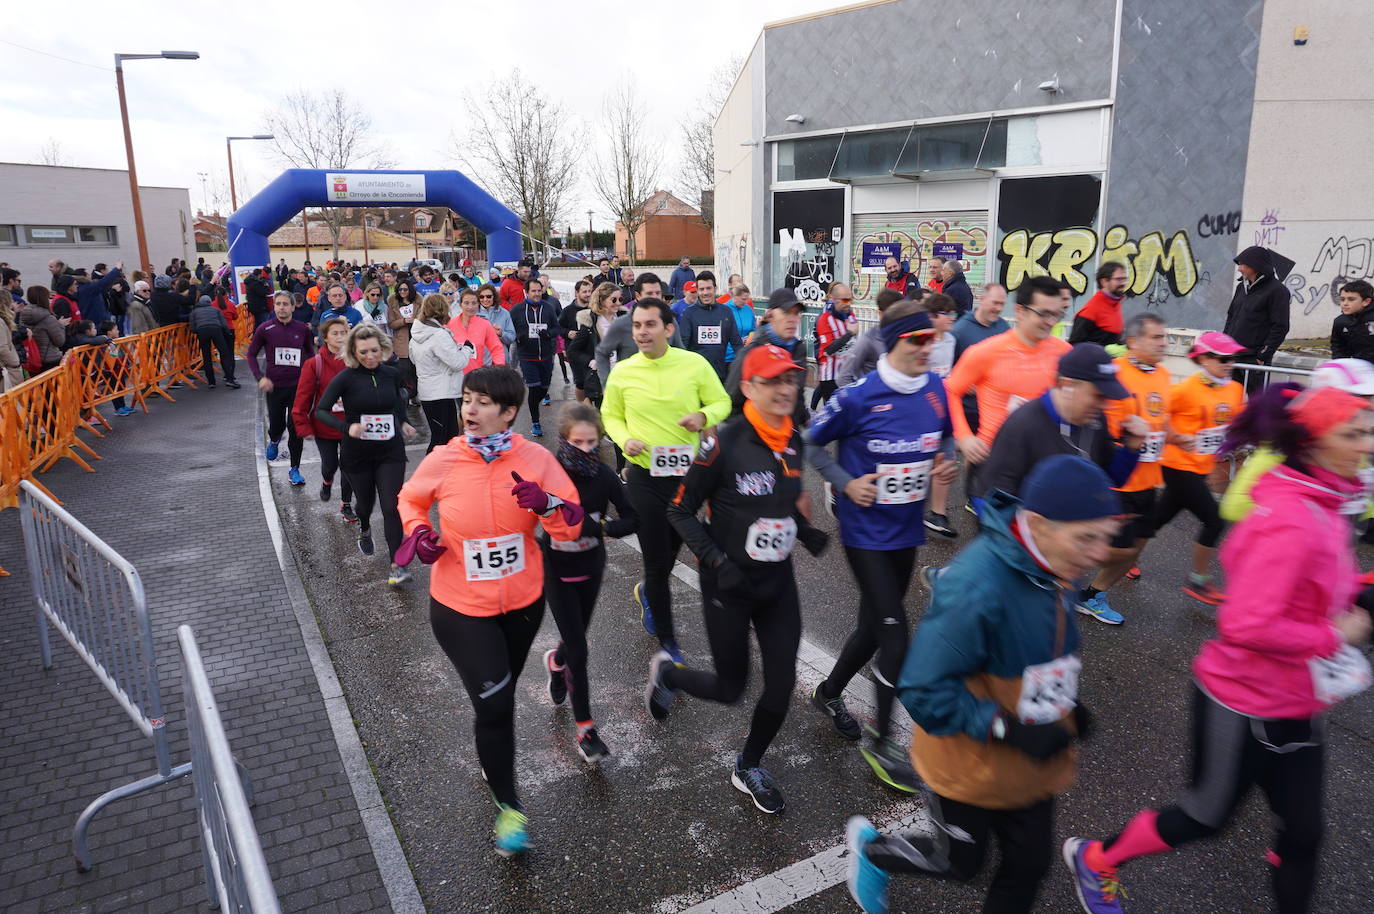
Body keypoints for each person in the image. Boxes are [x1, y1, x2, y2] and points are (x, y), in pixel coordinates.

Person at [1063, 387, 1374, 914]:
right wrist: (1335, 636)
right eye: (1354, 433)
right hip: (1242, 701)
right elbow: (1245, 622)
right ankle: (1096, 859)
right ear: (1315, 442)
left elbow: (1321, 588)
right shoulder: (1291, 518)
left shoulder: (1327, 502)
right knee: (1205, 816)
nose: (1367, 444)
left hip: (1301, 700)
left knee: (1304, 831)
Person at [846, 455, 1117, 914]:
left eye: (1105, 537)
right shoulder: (978, 584)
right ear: (1037, 523)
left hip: (1030, 763)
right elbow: (922, 689)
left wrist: (1069, 707)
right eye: (1086, 538)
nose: (1099, 554)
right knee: (960, 864)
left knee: (1030, 866)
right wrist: (1007, 728)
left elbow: (1042, 654)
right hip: (968, 764)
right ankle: (872, 852)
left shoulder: (1057, 564)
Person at [396, 365, 583, 856]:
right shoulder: (444, 458)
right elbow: (410, 500)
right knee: (496, 706)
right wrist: (418, 532)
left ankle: (491, 750)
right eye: (466, 399)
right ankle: (510, 809)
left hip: (523, 602)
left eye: (481, 402)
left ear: (509, 412)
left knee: (499, 695)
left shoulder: (536, 458)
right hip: (460, 606)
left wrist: (545, 505)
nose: (469, 410)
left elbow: (570, 526)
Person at [648, 344, 829, 814]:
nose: (786, 389)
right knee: (732, 689)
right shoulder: (722, 442)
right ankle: (670, 674)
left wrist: (805, 531)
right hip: (728, 584)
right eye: (773, 381)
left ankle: (748, 764)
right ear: (748, 388)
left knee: (781, 683)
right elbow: (679, 509)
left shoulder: (794, 438)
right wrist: (714, 560)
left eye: (791, 379)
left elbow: (778, 497)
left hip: (777, 584)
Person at [805, 303, 958, 792]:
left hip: (907, 528)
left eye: (931, 339)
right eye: (917, 340)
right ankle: (881, 740)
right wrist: (846, 483)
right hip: (864, 532)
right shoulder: (858, 397)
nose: (927, 348)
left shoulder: (936, 389)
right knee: (896, 635)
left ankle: (828, 693)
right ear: (893, 342)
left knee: (875, 625)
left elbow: (947, 437)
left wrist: (945, 462)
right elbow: (809, 445)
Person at [602, 297, 732, 662]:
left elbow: (722, 403)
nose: (642, 332)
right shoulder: (624, 372)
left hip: (689, 478)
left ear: (668, 329)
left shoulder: (694, 364)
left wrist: (703, 417)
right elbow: (610, 414)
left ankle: (647, 592)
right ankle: (670, 650)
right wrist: (623, 438)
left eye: (650, 325)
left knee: (673, 553)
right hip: (644, 475)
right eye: (637, 326)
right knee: (658, 563)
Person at [541, 402, 639, 762]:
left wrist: (603, 528)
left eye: (592, 442)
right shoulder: (550, 476)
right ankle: (585, 729)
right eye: (578, 442)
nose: (585, 449)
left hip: (591, 564)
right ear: (564, 439)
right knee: (580, 648)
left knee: (574, 638)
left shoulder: (605, 476)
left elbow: (633, 518)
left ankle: (555, 661)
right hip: (556, 568)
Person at [943, 276, 1073, 511]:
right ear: (1020, 311)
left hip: (1044, 465)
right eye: (1043, 314)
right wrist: (963, 436)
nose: (1051, 321)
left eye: (1057, 314)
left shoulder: (1064, 353)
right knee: (1000, 541)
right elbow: (951, 390)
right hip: (994, 465)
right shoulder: (985, 352)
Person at [1075, 313, 1173, 622]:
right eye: (1156, 337)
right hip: (1117, 482)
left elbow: (1162, 419)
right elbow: (1096, 426)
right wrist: (1126, 435)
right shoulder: (1113, 374)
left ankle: (1091, 595)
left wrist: (1175, 437)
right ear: (1133, 341)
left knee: (1136, 548)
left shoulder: (1164, 375)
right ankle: (1054, 568)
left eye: (1164, 336)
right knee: (1119, 549)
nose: (1164, 343)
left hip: (1149, 479)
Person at [974, 343, 1143, 509]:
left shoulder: (1095, 420)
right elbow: (989, 502)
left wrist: (1131, 450)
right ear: (1066, 385)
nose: (1105, 405)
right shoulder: (1023, 425)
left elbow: (1107, 480)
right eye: (1098, 396)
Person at [1147, 330, 1247, 606]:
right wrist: (1177, 437)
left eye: (1233, 359)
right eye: (1223, 359)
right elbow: (1156, 420)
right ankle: (1198, 581)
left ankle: (1120, 552)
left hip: (1201, 467)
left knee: (1157, 519)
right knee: (1215, 519)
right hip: (1176, 465)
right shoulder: (1183, 390)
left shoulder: (1235, 389)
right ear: (1203, 358)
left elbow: (1236, 425)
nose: (1230, 364)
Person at [315, 324, 416, 581]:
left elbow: (396, 401)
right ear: (353, 352)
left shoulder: (391, 374)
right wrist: (347, 427)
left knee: (392, 506)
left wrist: (403, 422)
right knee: (365, 504)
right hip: (357, 453)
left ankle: (397, 565)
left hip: (390, 450)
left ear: (382, 349)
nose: (370, 356)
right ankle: (365, 526)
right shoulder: (345, 378)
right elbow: (322, 410)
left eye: (374, 350)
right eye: (363, 352)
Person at [1222, 358, 1374, 525]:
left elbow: (1363, 494)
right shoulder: (1289, 444)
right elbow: (1234, 506)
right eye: (1362, 398)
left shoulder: (1356, 442)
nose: (1369, 406)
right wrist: (1301, 514)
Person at [293, 316, 358, 521]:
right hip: (325, 425)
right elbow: (302, 398)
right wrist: (303, 426)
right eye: (335, 333)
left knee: (349, 465)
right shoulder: (315, 364)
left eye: (343, 333)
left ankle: (346, 504)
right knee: (330, 464)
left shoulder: (357, 360)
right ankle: (327, 481)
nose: (340, 337)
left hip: (351, 425)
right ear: (325, 338)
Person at [247, 291, 315, 486]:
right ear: (274, 307)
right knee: (277, 425)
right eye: (278, 304)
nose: (282, 307)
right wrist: (260, 378)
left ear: (293, 307)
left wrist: (311, 377)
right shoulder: (265, 329)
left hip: (298, 388)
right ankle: (275, 439)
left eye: (286, 304)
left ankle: (294, 469)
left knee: (296, 428)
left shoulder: (302, 329)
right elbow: (251, 355)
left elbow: (310, 354)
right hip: (274, 388)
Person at [410, 293, 473, 451]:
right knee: (443, 439)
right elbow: (457, 363)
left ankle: (439, 472)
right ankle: (431, 472)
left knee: (442, 436)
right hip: (442, 393)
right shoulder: (439, 335)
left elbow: (414, 359)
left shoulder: (417, 334)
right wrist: (467, 349)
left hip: (428, 391)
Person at [1224, 245, 1291, 391]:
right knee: (1232, 399)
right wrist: (1225, 345)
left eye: (1243, 264)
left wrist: (1262, 356)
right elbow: (1231, 317)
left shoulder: (1278, 291)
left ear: (1257, 265)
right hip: (1233, 356)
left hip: (1254, 359)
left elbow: (1280, 326)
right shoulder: (1241, 287)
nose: (1240, 268)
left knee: (1256, 401)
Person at [509, 276, 562, 437]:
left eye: (539, 290)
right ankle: (535, 422)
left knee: (543, 388)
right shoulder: (517, 310)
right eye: (534, 291)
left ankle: (533, 404)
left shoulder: (548, 307)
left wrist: (549, 334)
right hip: (527, 356)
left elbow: (557, 328)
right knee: (534, 388)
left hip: (546, 355)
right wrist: (519, 336)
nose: (537, 294)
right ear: (526, 292)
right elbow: (510, 331)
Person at [675, 279, 744, 381]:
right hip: (696, 375)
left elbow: (736, 342)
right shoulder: (689, 313)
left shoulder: (726, 312)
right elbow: (683, 344)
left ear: (715, 289)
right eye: (702, 289)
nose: (705, 293)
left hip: (720, 373)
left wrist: (744, 364)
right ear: (697, 291)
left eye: (709, 288)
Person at [594, 272, 663, 374]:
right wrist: (606, 383)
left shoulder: (668, 320)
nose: (618, 303)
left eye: (620, 299)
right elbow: (599, 352)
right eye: (614, 300)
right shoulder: (594, 320)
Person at [838, 289, 905, 389]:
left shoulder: (904, 337)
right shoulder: (868, 340)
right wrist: (862, 401)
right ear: (881, 314)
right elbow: (843, 377)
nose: (899, 318)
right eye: (894, 314)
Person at [812, 282, 859, 408]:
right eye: (844, 300)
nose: (848, 303)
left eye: (850, 299)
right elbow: (829, 350)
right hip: (830, 377)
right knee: (833, 414)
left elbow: (854, 340)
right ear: (834, 300)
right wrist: (849, 334)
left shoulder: (850, 314)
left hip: (848, 373)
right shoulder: (824, 319)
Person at [1067, 261, 1128, 348]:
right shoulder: (1091, 310)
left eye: (1124, 279)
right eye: (1118, 279)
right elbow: (1074, 345)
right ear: (1104, 282)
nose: (1123, 283)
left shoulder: (1115, 303)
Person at [447, 287, 506, 373]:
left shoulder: (485, 325)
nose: (470, 307)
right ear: (460, 305)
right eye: (466, 303)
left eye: (474, 303)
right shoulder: (449, 325)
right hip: (455, 377)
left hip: (476, 377)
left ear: (478, 305)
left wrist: (499, 368)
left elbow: (496, 348)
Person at [189, 295, 239, 389]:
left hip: (202, 331)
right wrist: (227, 332)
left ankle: (211, 382)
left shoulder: (194, 311)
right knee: (224, 354)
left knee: (206, 356)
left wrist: (197, 331)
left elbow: (192, 325)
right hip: (216, 330)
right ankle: (229, 378)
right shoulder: (216, 310)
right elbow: (223, 323)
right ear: (209, 302)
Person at [952, 283, 1010, 361]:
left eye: (1002, 304)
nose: (999, 308)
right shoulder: (960, 331)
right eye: (995, 303)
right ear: (982, 299)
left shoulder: (1004, 327)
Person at [20, 285, 69, 373]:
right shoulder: (48, 318)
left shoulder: (24, 315)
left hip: (31, 358)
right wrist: (60, 325)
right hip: (50, 359)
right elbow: (60, 341)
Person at [559, 280, 593, 397]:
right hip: (575, 351)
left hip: (591, 350)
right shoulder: (568, 310)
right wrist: (567, 333)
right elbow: (559, 327)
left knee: (592, 381)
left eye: (590, 291)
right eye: (584, 292)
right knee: (580, 382)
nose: (588, 294)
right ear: (576, 293)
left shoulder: (595, 309)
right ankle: (582, 409)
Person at [386, 280, 419, 396]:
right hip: (402, 341)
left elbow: (424, 318)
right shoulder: (393, 304)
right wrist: (404, 321)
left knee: (417, 369)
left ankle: (418, 393)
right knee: (406, 370)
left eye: (405, 289)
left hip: (416, 339)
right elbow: (391, 323)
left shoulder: (418, 302)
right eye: (400, 289)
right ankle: (410, 394)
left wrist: (415, 320)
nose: (403, 292)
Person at [1329, 279, 1374, 362]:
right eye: (1342, 299)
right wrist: (1341, 364)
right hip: (1359, 367)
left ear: (1366, 302)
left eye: (1351, 299)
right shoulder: (1340, 322)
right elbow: (1338, 347)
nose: (1345, 303)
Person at [475, 283, 516, 360]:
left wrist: (501, 334)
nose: (485, 299)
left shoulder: (504, 313)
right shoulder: (473, 313)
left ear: (494, 297)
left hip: (500, 357)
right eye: (481, 297)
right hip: (480, 358)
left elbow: (512, 337)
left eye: (488, 296)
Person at [0, 291, 22, 390]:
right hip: (7, 369)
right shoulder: (1, 322)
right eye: (11, 300)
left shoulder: (4, 320)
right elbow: (2, 348)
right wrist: (15, 362)